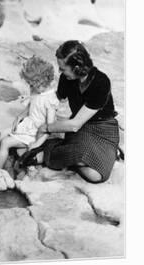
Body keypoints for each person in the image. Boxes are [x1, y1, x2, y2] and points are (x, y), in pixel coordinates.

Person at [20, 40, 121, 183]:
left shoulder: (101, 82)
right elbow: (54, 98)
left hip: (102, 127)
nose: (60, 71)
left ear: (77, 67)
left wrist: (47, 127)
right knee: (81, 154)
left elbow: (74, 124)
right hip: (81, 131)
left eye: (63, 68)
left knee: (96, 176)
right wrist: (29, 106)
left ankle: (53, 155)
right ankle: (64, 154)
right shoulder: (66, 79)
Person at [0, 56, 59, 174]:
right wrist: (19, 117)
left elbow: (49, 128)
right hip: (27, 125)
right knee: (1, 133)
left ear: (42, 81)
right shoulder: (36, 91)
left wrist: (37, 144)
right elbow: (31, 106)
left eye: (33, 85)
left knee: (5, 143)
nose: (31, 87)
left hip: (35, 134)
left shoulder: (50, 100)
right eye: (30, 85)